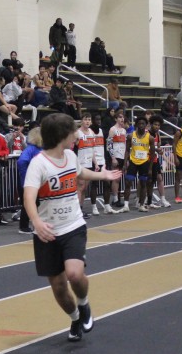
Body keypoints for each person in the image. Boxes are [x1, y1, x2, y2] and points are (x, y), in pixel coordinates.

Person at [24, 113, 122, 341]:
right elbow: (28, 197)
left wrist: (102, 175)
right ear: (62, 135)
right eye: (72, 132)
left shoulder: (70, 155)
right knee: (59, 287)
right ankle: (75, 318)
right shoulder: (38, 164)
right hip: (48, 232)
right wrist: (37, 222)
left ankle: (84, 304)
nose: (76, 136)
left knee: (75, 274)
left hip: (73, 225)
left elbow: (80, 172)